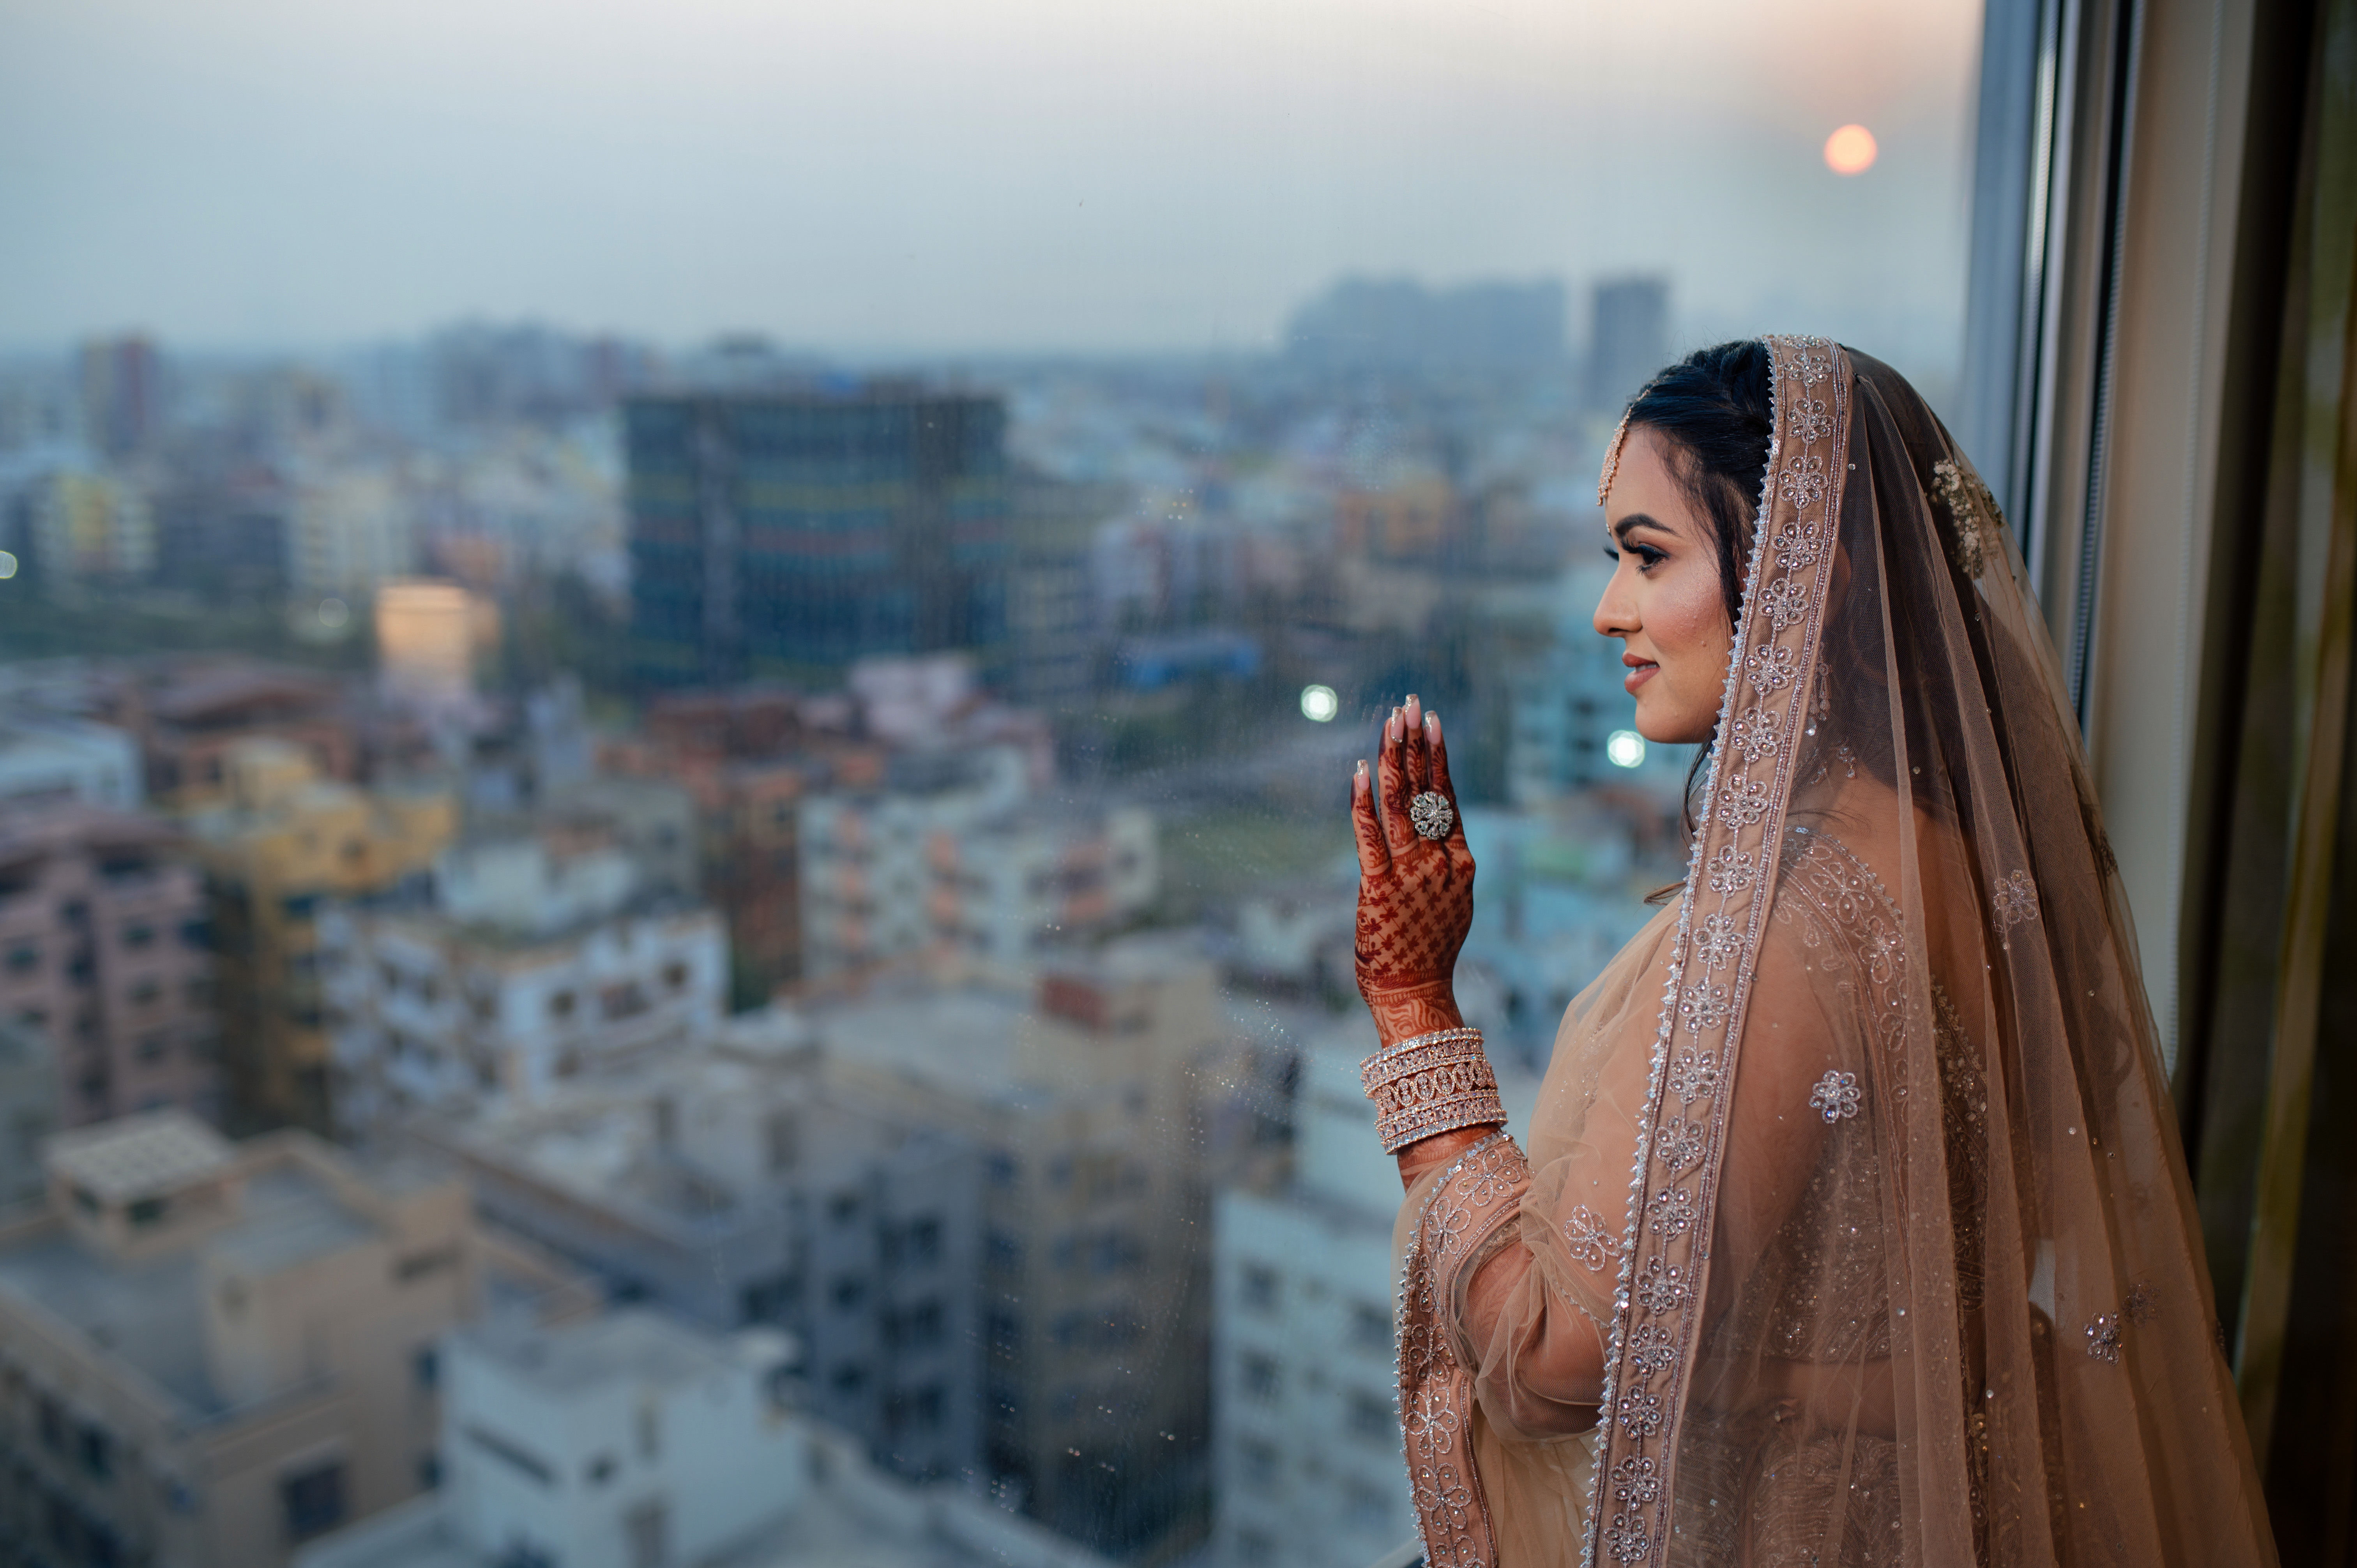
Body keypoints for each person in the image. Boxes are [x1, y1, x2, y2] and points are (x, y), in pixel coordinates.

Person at [1348, 337, 2279, 1567]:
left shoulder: (1799, 924)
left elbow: (1551, 1361)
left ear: (1808, 581)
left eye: (1648, 555)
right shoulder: (1956, 853)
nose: (1609, 609)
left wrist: (1415, 1014)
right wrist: (1831, 1380)